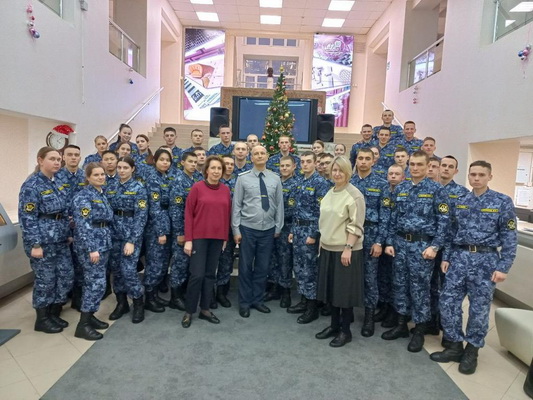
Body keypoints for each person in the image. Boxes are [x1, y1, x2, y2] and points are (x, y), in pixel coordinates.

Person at [430, 161, 517, 375]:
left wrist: (504, 266)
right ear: (468, 176)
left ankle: (472, 350)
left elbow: (510, 237)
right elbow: (451, 232)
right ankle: (454, 345)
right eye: (473, 174)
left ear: (489, 177)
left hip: (486, 260)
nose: (476, 178)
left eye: (481, 175)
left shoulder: (501, 201)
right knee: (448, 302)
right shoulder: (460, 200)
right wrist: (446, 257)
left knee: (479, 308)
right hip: (459, 258)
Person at [383, 151, 450, 353]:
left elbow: (444, 222)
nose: (415, 168)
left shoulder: (437, 190)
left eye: (420, 164)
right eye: (412, 164)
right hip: (400, 244)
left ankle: (419, 330)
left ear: (428, 166)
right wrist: (389, 241)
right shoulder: (401, 188)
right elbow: (393, 217)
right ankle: (401, 324)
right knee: (399, 285)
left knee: (420, 289)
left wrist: (434, 247)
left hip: (422, 247)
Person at [19, 147, 74, 334]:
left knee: (65, 275)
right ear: (40, 160)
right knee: (46, 280)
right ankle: (42, 318)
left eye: (59, 159)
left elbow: (64, 211)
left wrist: (68, 233)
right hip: (42, 241)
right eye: (52, 159)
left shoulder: (57, 182)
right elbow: (27, 217)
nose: (57, 162)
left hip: (60, 239)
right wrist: (35, 243)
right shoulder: (32, 185)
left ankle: (53, 311)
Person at [316, 155, 366, 347]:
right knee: (332, 292)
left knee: (344, 294)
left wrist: (348, 248)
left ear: (348, 172)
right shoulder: (331, 191)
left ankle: (346, 331)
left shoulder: (354, 195)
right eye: (334, 170)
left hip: (345, 251)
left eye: (341, 171)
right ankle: (334, 326)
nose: (337, 174)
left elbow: (356, 224)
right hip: (328, 248)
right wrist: (322, 241)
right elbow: (326, 221)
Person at [232, 145, 284, 318]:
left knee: (263, 266)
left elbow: (279, 205)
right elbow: (236, 205)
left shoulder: (275, 179)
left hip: (268, 230)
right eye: (256, 153)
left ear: (267, 156)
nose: (260, 156)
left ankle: (257, 300)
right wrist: (236, 229)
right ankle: (244, 302)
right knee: (245, 267)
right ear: (251, 158)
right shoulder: (243, 179)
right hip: (247, 228)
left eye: (262, 153)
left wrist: (278, 226)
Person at [182, 156, 232, 328]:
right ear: (207, 170)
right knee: (197, 275)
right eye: (213, 168)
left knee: (210, 275)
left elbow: (227, 215)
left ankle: (205, 309)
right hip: (199, 238)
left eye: (219, 168)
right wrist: (189, 240)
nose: (216, 171)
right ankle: (189, 311)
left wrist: (225, 238)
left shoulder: (225, 190)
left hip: (217, 239)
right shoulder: (197, 188)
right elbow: (189, 214)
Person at [426, 155, 470, 336]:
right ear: (437, 167)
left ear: (456, 171)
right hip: (429, 245)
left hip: (450, 248)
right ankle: (431, 321)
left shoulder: (462, 193)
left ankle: (448, 327)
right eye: (443, 165)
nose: (445, 168)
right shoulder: (430, 190)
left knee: (449, 290)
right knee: (430, 286)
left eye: (450, 166)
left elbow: (463, 224)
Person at [288, 151, 332, 323]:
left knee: (310, 270)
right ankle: (304, 300)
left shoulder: (320, 183)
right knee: (299, 268)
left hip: (310, 232)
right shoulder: (300, 181)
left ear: (315, 163)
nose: (305, 164)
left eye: (308, 161)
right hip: (298, 230)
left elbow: (322, 212)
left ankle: (312, 307)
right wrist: (292, 230)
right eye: (302, 161)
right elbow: (296, 210)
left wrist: (314, 234)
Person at [72, 163, 113, 340]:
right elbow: (83, 225)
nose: (100, 177)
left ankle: (90, 316)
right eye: (96, 175)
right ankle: (83, 325)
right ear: (88, 177)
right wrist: (92, 248)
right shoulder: (83, 197)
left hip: (103, 243)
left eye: (102, 174)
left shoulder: (101, 194)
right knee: (95, 284)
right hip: (92, 246)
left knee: (96, 283)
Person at [350, 148, 389, 337]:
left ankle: (369, 317)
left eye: (367, 158)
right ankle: (347, 311)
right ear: (356, 160)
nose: (363, 161)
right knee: (349, 274)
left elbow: (385, 216)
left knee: (369, 278)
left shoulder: (382, 184)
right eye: (360, 158)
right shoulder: (349, 182)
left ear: (373, 161)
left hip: (371, 234)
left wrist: (379, 242)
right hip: (350, 234)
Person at [106, 156, 148, 324]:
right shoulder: (110, 186)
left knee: (128, 271)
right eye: (119, 167)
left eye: (125, 167)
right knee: (116, 271)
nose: (122, 170)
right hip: (113, 234)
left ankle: (138, 302)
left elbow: (141, 216)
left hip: (130, 235)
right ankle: (121, 303)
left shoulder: (139, 188)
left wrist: (132, 240)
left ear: (133, 169)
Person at [168, 152, 203, 311]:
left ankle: (184, 293)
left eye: (195, 162)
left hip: (196, 228)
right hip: (183, 229)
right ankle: (175, 297)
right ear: (182, 162)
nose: (193, 164)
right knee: (180, 264)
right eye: (190, 161)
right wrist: (180, 233)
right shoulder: (178, 181)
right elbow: (176, 210)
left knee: (190, 264)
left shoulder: (197, 179)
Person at [264, 155, 298, 307]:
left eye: (287, 165)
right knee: (272, 258)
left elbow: (293, 209)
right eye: (282, 165)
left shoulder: (296, 184)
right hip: (271, 226)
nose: (284, 168)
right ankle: (274, 287)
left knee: (285, 260)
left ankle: (285, 291)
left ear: (294, 167)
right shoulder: (274, 182)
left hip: (287, 227)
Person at [374, 164, 406, 327]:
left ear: (403, 177)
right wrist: (381, 241)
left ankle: (396, 312)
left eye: (397, 174)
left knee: (397, 279)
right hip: (383, 239)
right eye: (391, 173)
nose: (393, 176)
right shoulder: (385, 191)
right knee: (384, 276)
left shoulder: (405, 193)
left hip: (398, 243)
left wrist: (390, 241)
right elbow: (383, 218)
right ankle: (385, 307)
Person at [55, 145, 86, 311]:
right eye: (70, 155)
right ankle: (58, 300)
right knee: (62, 267)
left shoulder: (84, 176)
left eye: (76, 155)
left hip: (81, 228)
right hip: (60, 227)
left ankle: (77, 297)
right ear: (63, 157)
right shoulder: (56, 176)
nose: (73, 157)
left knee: (80, 263)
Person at [143, 149, 173, 312]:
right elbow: (154, 208)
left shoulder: (165, 177)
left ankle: (154, 295)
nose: (165, 162)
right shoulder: (153, 178)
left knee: (162, 263)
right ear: (155, 161)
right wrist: (160, 232)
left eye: (167, 160)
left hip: (166, 224)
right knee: (154, 263)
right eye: (162, 159)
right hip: (156, 228)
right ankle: (149, 298)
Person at [213, 155, 238, 308]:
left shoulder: (238, 182)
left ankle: (222, 292)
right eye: (226, 164)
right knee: (211, 261)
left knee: (226, 261)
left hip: (229, 228)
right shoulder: (214, 181)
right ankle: (209, 292)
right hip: (213, 228)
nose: (229, 166)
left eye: (231, 164)